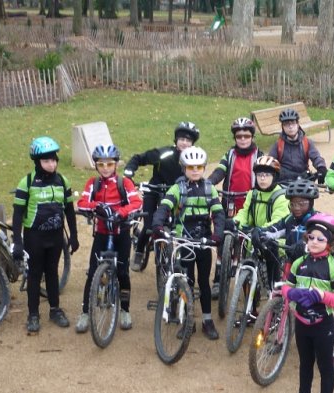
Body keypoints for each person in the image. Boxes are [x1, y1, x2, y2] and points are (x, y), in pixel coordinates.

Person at [152, 146, 225, 340]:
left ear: (204, 168)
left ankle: (207, 320)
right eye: (191, 167)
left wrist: (218, 235)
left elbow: (218, 213)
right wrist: (158, 224)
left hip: (203, 242)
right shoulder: (178, 188)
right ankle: (187, 320)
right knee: (187, 281)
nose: (195, 170)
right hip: (184, 242)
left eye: (199, 167)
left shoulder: (210, 189)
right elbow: (164, 207)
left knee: (204, 282)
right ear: (184, 168)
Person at [282, 213, 334, 393]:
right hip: (301, 321)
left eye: (321, 239)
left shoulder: (333, 268)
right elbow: (287, 285)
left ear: (331, 243)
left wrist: (321, 296)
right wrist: (290, 294)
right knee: (305, 363)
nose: (314, 242)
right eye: (311, 238)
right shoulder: (299, 262)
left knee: (325, 365)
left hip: (323, 324)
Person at [12, 136, 81, 333]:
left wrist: (74, 236)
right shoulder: (26, 182)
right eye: (46, 161)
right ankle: (33, 314)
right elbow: (17, 215)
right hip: (34, 237)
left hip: (56, 236)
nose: (51, 164)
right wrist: (18, 242)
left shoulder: (62, 181)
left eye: (54, 160)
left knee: (52, 272)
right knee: (34, 274)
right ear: (37, 162)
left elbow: (69, 209)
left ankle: (55, 309)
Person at [75, 144, 143, 333]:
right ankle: (85, 312)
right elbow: (82, 203)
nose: (105, 168)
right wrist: (97, 206)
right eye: (101, 164)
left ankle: (125, 310)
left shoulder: (124, 183)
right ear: (96, 165)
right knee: (93, 272)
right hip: (103, 233)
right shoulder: (93, 183)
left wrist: (121, 212)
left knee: (122, 272)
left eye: (110, 164)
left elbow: (137, 202)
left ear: (116, 165)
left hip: (121, 233)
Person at [124, 121, 200, 272]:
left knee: (180, 226)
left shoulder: (193, 159)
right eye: (181, 139)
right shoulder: (164, 153)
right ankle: (139, 250)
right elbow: (138, 158)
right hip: (155, 191)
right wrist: (128, 173)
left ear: (192, 143)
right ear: (176, 140)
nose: (184, 143)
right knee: (149, 225)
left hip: (178, 195)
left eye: (188, 140)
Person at [208, 117, 263, 298]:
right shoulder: (230, 154)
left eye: (246, 135)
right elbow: (220, 171)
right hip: (230, 202)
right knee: (222, 241)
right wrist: (209, 183)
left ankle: (249, 279)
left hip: (250, 204)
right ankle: (218, 280)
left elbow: (266, 174)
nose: (243, 139)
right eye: (239, 136)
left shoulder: (259, 155)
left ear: (252, 136)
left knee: (249, 241)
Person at [234, 156, 290, 290]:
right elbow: (244, 212)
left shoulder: (282, 197)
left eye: (266, 175)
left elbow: (278, 221)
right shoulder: (253, 194)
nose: (262, 178)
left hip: (275, 240)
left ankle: (274, 290)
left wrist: (261, 230)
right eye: (259, 175)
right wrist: (236, 221)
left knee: (271, 257)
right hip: (254, 238)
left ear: (275, 176)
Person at [260, 178, 320, 272]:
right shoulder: (289, 219)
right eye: (293, 204)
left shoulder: (318, 220)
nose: (296, 208)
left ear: (311, 203)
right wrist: (259, 231)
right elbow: (275, 228)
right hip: (291, 261)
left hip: (314, 264)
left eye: (302, 204)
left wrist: (305, 243)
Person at [267, 108, 327, 185]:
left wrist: (321, 168)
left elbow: (316, 157)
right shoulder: (278, 145)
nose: (290, 126)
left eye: (293, 123)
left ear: (298, 124)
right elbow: (270, 162)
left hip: (303, 178)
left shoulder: (306, 142)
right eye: (286, 124)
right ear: (282, 127)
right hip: (284, 180)